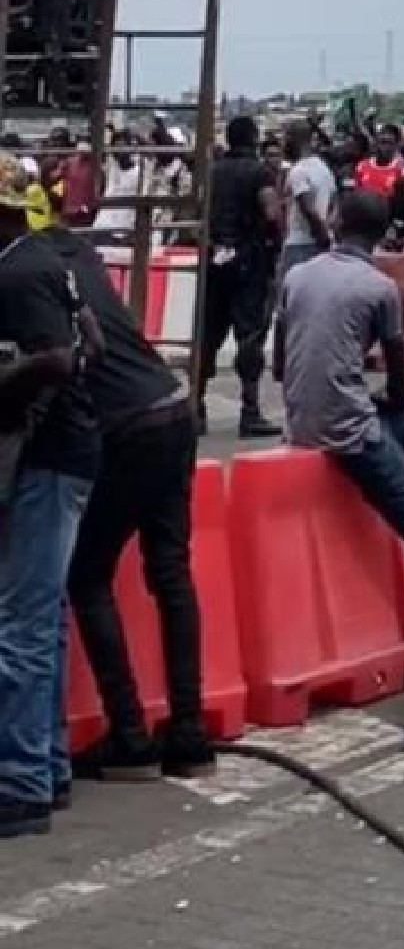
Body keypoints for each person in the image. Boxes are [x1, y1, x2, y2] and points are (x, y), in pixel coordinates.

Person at [38, 225, 215, 783]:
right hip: (171, 404)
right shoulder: (71, 248)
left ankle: (130, 736)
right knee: (169, 570)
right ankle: (188, 735)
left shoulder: (21, 276)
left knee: (87, 575)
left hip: (125, 428)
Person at [0, 154, 101, 838]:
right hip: (65, 455)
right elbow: (88, 335)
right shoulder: (43, 260)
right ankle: (50, 766)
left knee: (21, 625)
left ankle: (21, 783)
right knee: (43, 618)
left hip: (48, 460)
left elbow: (63, 359)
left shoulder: (18, 272)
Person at [276, 190, 404, 565]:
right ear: (382, 233)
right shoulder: (381, 288)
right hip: (349, 429)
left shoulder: (296, 276)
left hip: (298, 416)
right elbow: (398, 378)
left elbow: (280, 365)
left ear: (335, 224)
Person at [199, 116, 282, 438]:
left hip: (215, 255)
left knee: (209, 333)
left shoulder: (213, 172)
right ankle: (250, 411)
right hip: (249, 258)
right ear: (254, 138)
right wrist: (273, 240)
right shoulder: (260, 172)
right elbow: (271, 211)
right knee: (249, 334)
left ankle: (198, 408)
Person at [280, 120, 336, 281]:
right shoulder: (323, 168)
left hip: (300, 244)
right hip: (322, 244)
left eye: (285, 139)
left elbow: (307, 207)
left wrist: (320, 232)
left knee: (289, 298)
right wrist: (327, 229)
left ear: (293, 139)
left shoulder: (298, 171)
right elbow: (334, 203)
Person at [355, 125, 404, 199]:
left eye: (389, 143)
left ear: (397, 145)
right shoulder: (362, 166)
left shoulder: (402, 170)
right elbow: (355, 193)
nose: (385, 147)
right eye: (382, 142)